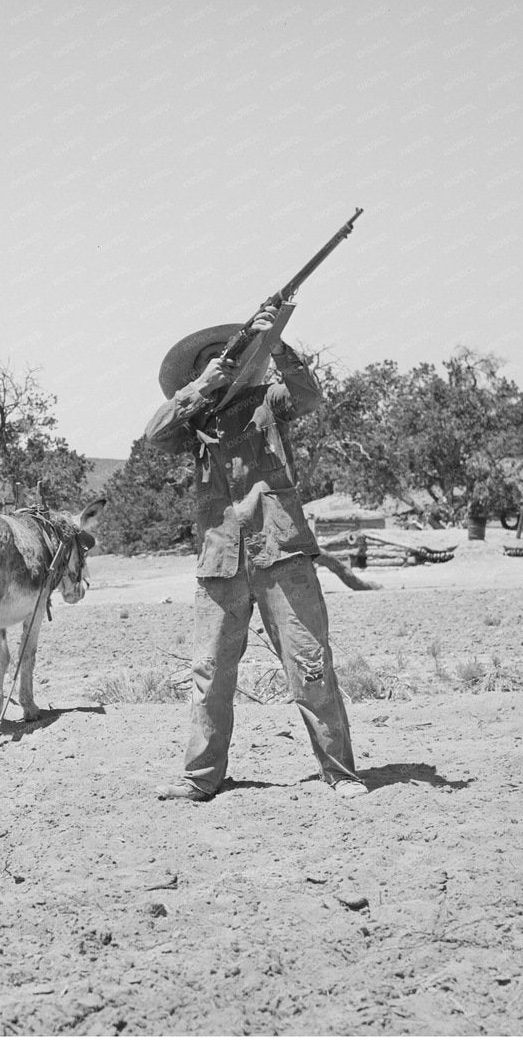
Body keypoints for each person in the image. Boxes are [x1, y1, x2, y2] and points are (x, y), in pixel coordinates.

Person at [145, 304, 367, 801]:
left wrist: (279, 343)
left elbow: (308, 394)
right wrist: (200, 387)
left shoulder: (269, 400)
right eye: (209, 360)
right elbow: (154, 435)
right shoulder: (192, 418)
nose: (222, 363)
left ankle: (339, 774)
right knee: (209, 674)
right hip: (220, 562)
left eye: (226, 356)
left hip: (281, 553)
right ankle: (201, 779)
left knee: (310, 666)